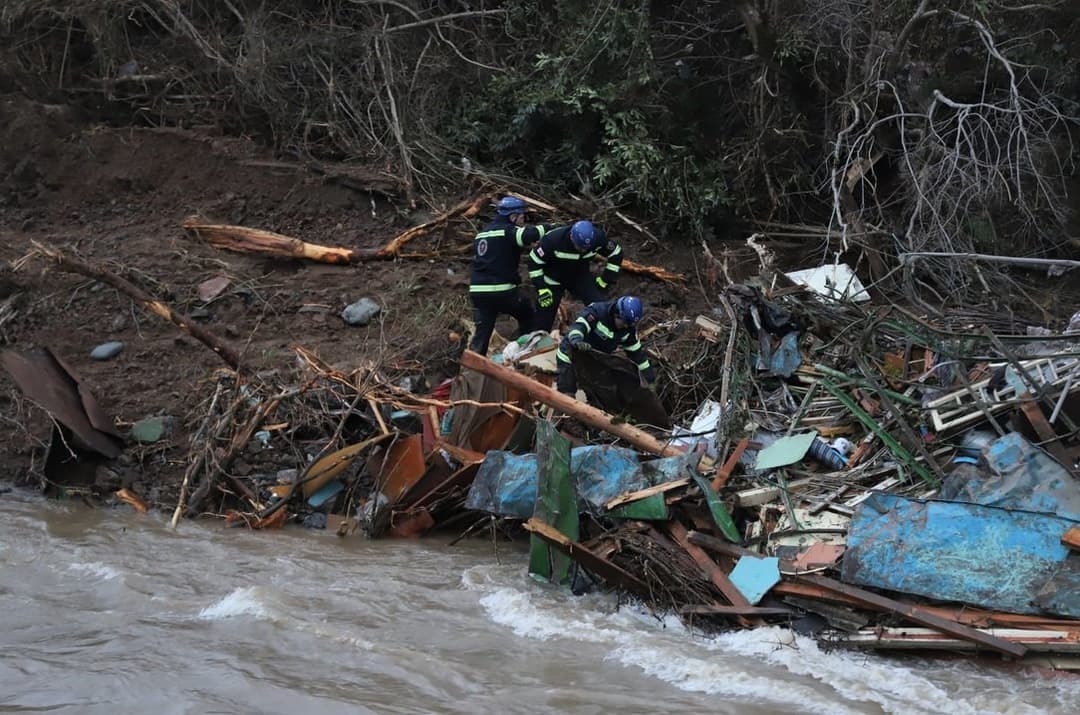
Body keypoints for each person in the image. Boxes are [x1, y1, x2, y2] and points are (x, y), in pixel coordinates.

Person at [468, 196, 553, 354]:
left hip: (478, 291)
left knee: (482, 334)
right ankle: (523, 352)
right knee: (527, 313)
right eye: (522, 216)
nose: (523, 220)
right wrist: (549, 228)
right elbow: (528, 235)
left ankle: (473, 368)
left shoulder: (482, 234)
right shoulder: (508, 231)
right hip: (501, 290)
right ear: (513, 217)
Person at [527, 219, 623, 331]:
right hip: (552, 279)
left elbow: (616, 253)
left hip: (580, 277)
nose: (583, 250)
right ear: (572, 238)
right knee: (544, 317)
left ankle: (602, 337)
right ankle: (539, 342)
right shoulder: (554, 239)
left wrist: (605, 281)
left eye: (586, 248)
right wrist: (541, 288)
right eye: (580, 247)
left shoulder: (598, 238)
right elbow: (534, 262)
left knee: (599, 307)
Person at [555, 295, 656, 396]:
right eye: (624, 323)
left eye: (629, 324)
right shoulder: (597, 311)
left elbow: (637, 355)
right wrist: (576, 340)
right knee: (567, 393)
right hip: (569, 357)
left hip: (592, 363)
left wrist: (649, 379)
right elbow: (579, 327)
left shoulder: (628, 330)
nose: (625, 326)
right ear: (617, 314)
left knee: (598, 396)